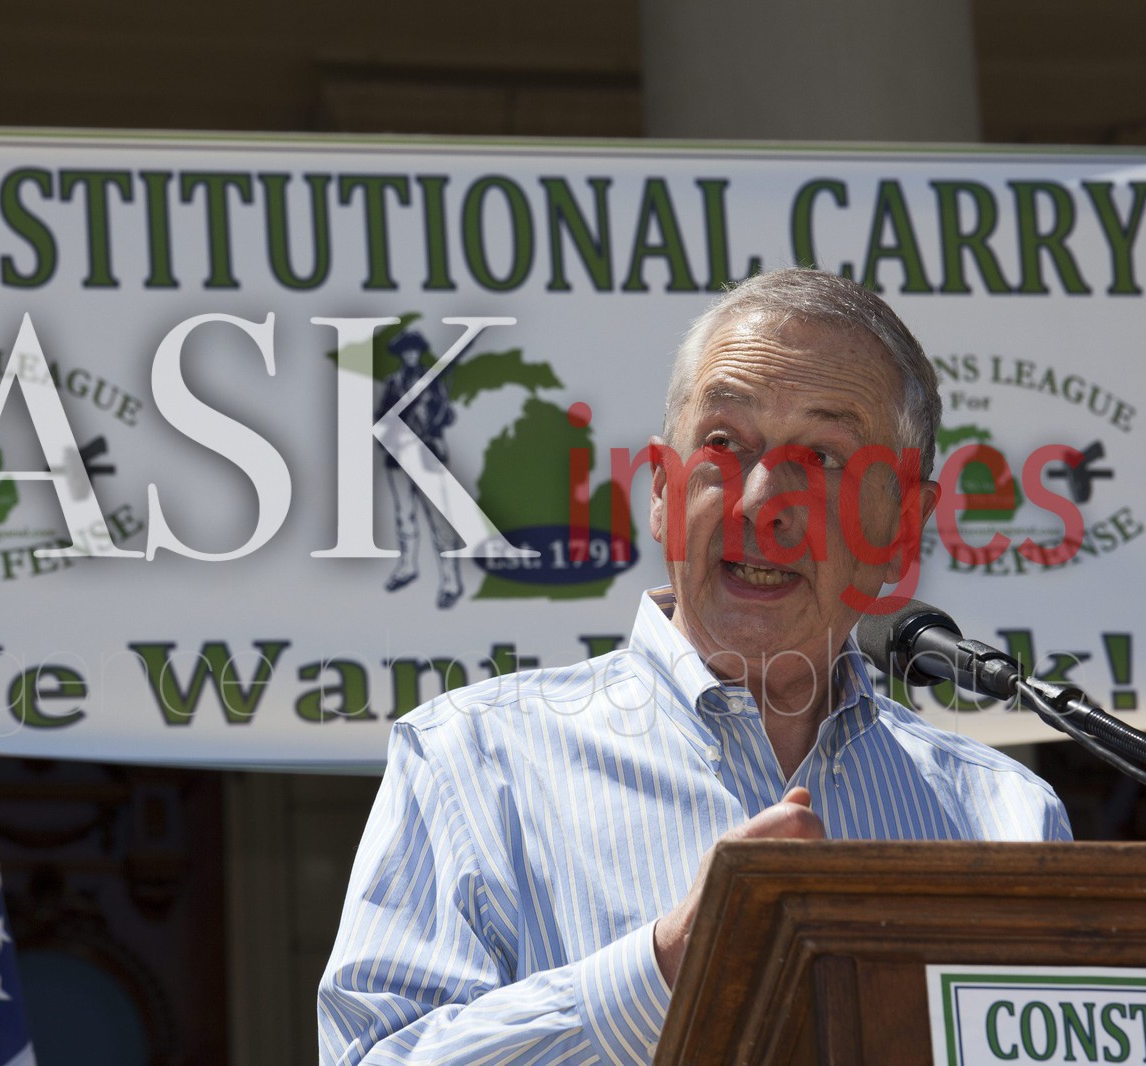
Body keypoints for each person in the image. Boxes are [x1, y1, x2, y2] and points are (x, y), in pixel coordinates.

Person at [319, 269, 1071, 1065]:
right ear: (659, 491)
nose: (761, 502)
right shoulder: (470, 762)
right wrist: (664, 968)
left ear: (903, 524)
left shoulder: (1006, 818)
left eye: (821, 455)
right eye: (723, 444)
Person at [379, 329, 466, 610]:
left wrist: (432, 424)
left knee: (440, 520)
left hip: (428, 454)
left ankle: (451, 582)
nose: (410, 355)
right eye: (405, 351)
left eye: (413, 350)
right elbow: (381, 417)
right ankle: (407, 566)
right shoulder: (394, 383)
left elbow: (446, 415)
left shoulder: (433, 381)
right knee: (404, 516)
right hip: (400, 455)